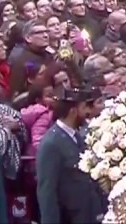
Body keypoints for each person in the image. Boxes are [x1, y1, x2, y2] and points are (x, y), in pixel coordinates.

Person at [35, 87, 108, 224]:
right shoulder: (51, 143)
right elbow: (47, 191)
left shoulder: (77, 137)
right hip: (70, 217)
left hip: (89, 213)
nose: (87, 112)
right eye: (84, 108)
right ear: (73, 111)